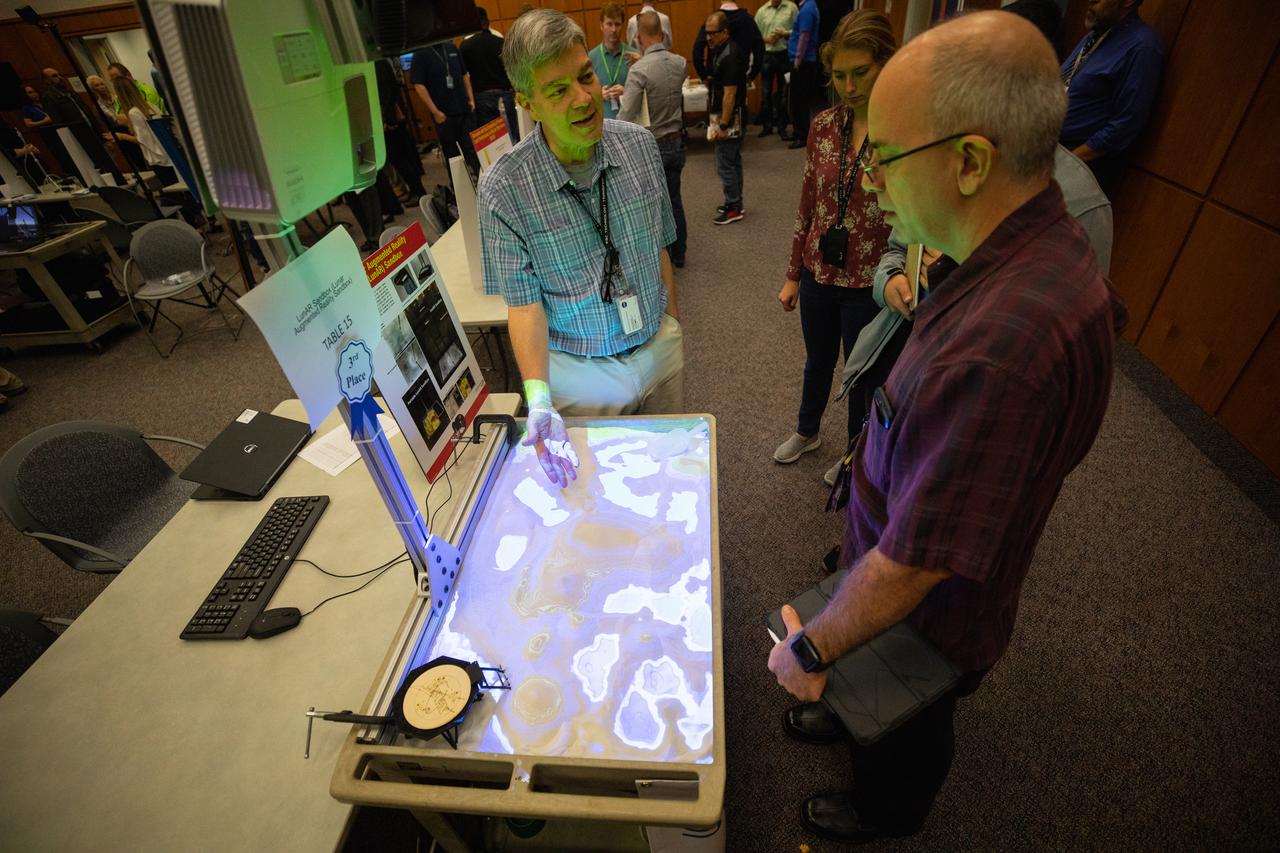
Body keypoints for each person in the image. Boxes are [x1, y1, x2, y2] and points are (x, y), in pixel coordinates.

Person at [767, 10, 1128, 843]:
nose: (873, 180)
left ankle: (884, 812)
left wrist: (815, 648)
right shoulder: (1020, 242)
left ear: (970, 162)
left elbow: (915, 565)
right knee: (872, 688)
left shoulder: (999, 354)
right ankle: (853, 712)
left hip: (931, 620)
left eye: (887, 157)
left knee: (906, 727)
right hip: (913, 540)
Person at [477, 9, 683, 488]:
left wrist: (671, 327)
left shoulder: (639, 146)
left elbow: (660, 248)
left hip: (657, 348)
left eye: (585, 76)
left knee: (670, 482)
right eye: (558, 90)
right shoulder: (504, 188)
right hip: (581, 373)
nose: (584, 98)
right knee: (598, 501)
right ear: (527, 101)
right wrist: (540, 399)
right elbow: (524, 305)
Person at [773, 11, 894, 481]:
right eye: (839, 75)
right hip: (820, 270)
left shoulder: (904, 131)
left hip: (873, 277)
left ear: (886, 64)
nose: (848, 85)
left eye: (860, 72)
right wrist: (792, 274)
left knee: (861, 374)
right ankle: (808, 430)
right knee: (818, 360)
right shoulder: (824, 125)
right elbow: (808, 203)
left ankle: (854, 454)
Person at [1060, 0, 1163, 189]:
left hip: (1076, 165)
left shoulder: (1142, 46)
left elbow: (1126, 124)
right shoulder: (1096, 35)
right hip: (1050, 152)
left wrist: (1069, 164)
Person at [618, 11, 688, 267]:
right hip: (677, 142)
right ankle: (680, 253)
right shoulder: (680, 62)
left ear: (638, 38)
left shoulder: (638, 71)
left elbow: (626, 115)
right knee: (675, 199)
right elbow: (665, 72)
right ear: (663, 34)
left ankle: (664, 257)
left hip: (652, 146)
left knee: (654, 204)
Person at [410, 40, 481, 179]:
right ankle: (460, 190)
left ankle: (481, 182)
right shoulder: (420, 53)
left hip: (465, 109)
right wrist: (435, 112)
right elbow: (419, 85)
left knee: (471, 149)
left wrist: (471, 99)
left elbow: (464, 74)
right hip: (444, 115)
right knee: (453, 156)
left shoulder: (451, 46)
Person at [705, 12, 748, 226]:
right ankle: (735, 202)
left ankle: (733, 208)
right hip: (727, 115)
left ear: (725, 32)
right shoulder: (722, 50)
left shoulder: (730, 55)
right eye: (707, 33)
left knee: (725, 163)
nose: (708, 37)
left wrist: (723, 125)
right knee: (733, 160)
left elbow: (730, 94)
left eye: (713, 33)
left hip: (729, 117)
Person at [459, 8, 521, 143]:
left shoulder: (466, 46)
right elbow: (511, 68)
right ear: (487, 22)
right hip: (504, 93)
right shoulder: (500, 41)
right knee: (512, 133)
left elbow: (464, 75)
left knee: (492, 139)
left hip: (481, 96)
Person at [109, 77, 178, 186]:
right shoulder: (150, 105)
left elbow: (143, 140)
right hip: (168, 153)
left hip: (158, 158)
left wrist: (122, 136)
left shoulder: (133, 113)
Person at [692, 1, 765, 84]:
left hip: (715, 76)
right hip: (740, 76)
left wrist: (703, 75)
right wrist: (752, 75)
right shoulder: (748, 20)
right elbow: (760, 48)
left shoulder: (712, 20)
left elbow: (698, 47)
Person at [754, 0, 798, 138]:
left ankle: (782, 127)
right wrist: (767, 39)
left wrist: (785, 34)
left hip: (784, 55)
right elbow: (755, 36)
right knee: (766, 93)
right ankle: (767, 126)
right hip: (767, 56)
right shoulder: (762, 11)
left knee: (783, 94)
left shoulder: (792, 8)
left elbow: (798, 31)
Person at [786, 0, 820, 148]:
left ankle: (802, 135)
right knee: (797, 99)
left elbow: (804, 37)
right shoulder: (809, 6)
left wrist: (797, 61)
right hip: (804, 62)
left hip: (803, 63)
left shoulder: (807, 9)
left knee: (799, 101)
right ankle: (798, 132)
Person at [589, 4, 631, 121]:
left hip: (630, 123)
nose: (613, 30)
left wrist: (627, 92)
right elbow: (584, 93)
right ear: (601, 26)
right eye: (609, 24)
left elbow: (646, 93)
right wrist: (599, 96)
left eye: (617, 24)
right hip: (602, 123)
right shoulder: (591, 57)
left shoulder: (633, 56)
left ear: (623, 26)